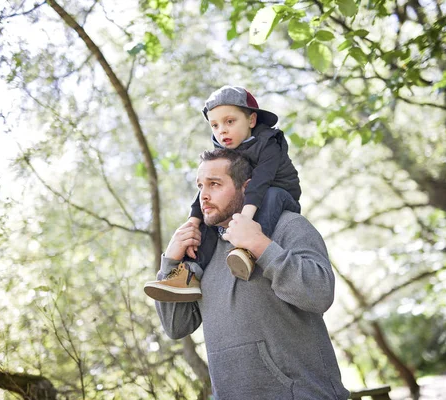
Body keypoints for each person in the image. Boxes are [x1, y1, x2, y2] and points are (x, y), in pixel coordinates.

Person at [150, 149, 350, 399]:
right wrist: (170, 262)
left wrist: (261, 246)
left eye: (215, 184)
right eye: (201, 185)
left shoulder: (288, 226)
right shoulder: (202, 251)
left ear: (246, 187)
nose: (204, 195)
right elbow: (176, 326)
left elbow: (320, 294)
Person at [144, 85, 301, 302]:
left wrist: (244, 222)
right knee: (211, 217)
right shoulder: (224, 149)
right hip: (246, 194)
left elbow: (260, 183)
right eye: (215, 125)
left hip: (279, 193)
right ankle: (190, 274)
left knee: (271, 194)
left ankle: (247, 251)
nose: (222, 131)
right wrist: (193, 223)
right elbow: (206, 189)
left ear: (252, 120)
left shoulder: (269, 143)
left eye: (230, 122)